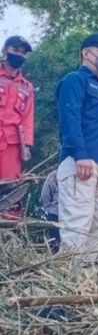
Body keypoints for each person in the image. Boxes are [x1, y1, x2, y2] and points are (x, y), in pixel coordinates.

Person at [56, 33, 98, 263]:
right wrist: (80, 155)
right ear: (86, 53)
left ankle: (84, 286)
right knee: (77, 225)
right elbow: (70, 119)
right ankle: (66, 286)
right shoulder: (74, 80)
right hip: (82, 163)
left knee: (97, 227)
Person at [0, 35, 34, 219]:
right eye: (15, 50)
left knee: (10, 192)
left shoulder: (27, 87)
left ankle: (7, 241)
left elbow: (27, 118)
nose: (19, 55)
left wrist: (26, 147)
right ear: (5, 51)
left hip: (12, 146)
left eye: (23, 52)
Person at [40, 170, 60, 251]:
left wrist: (49, 207)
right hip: (69, 213)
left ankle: (55, 258)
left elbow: (45, 195)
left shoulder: (54, 175)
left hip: (54, 212)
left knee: (55, 241)